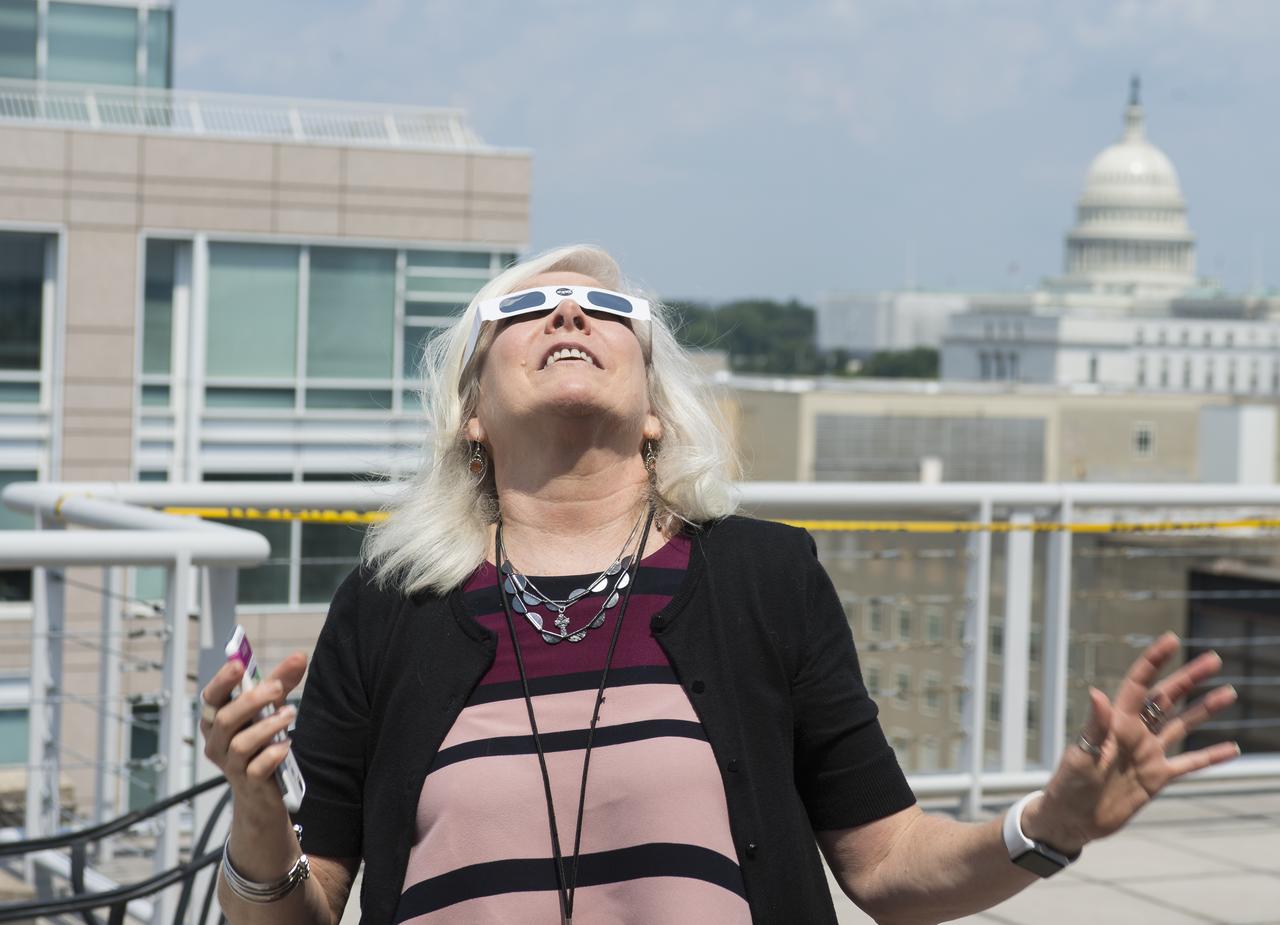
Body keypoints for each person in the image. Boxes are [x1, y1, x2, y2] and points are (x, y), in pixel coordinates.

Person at [198, 244, 1240, 925]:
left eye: (606, 306)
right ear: (469, 411)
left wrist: (1045, 825)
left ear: (655, 406)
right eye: (525, 307)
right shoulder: (388, 602)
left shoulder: (760, 576)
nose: (568, 312)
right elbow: (301, 908)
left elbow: (885, 865)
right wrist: (255, 812)